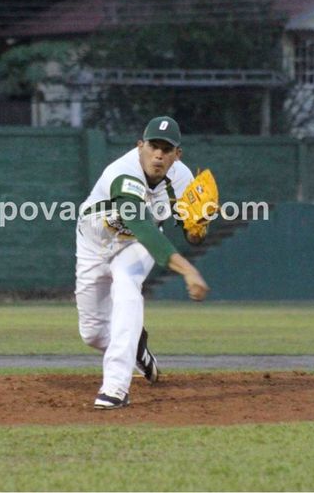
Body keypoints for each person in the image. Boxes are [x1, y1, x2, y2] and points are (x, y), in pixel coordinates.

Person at [75, 116, 210, 410]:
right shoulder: (123, 173)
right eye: (153, 146)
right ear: (140, 146)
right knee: (93, 333)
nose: (158, 154)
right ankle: (136, 347)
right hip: (93, 243)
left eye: (167, 148)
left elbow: (186, 232)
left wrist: (198, 228)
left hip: (134, 246)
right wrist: (189, 270)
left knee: (126, 287)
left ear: (178, 154)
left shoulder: (183, 177)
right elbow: (141, 223)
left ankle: (115, 387)